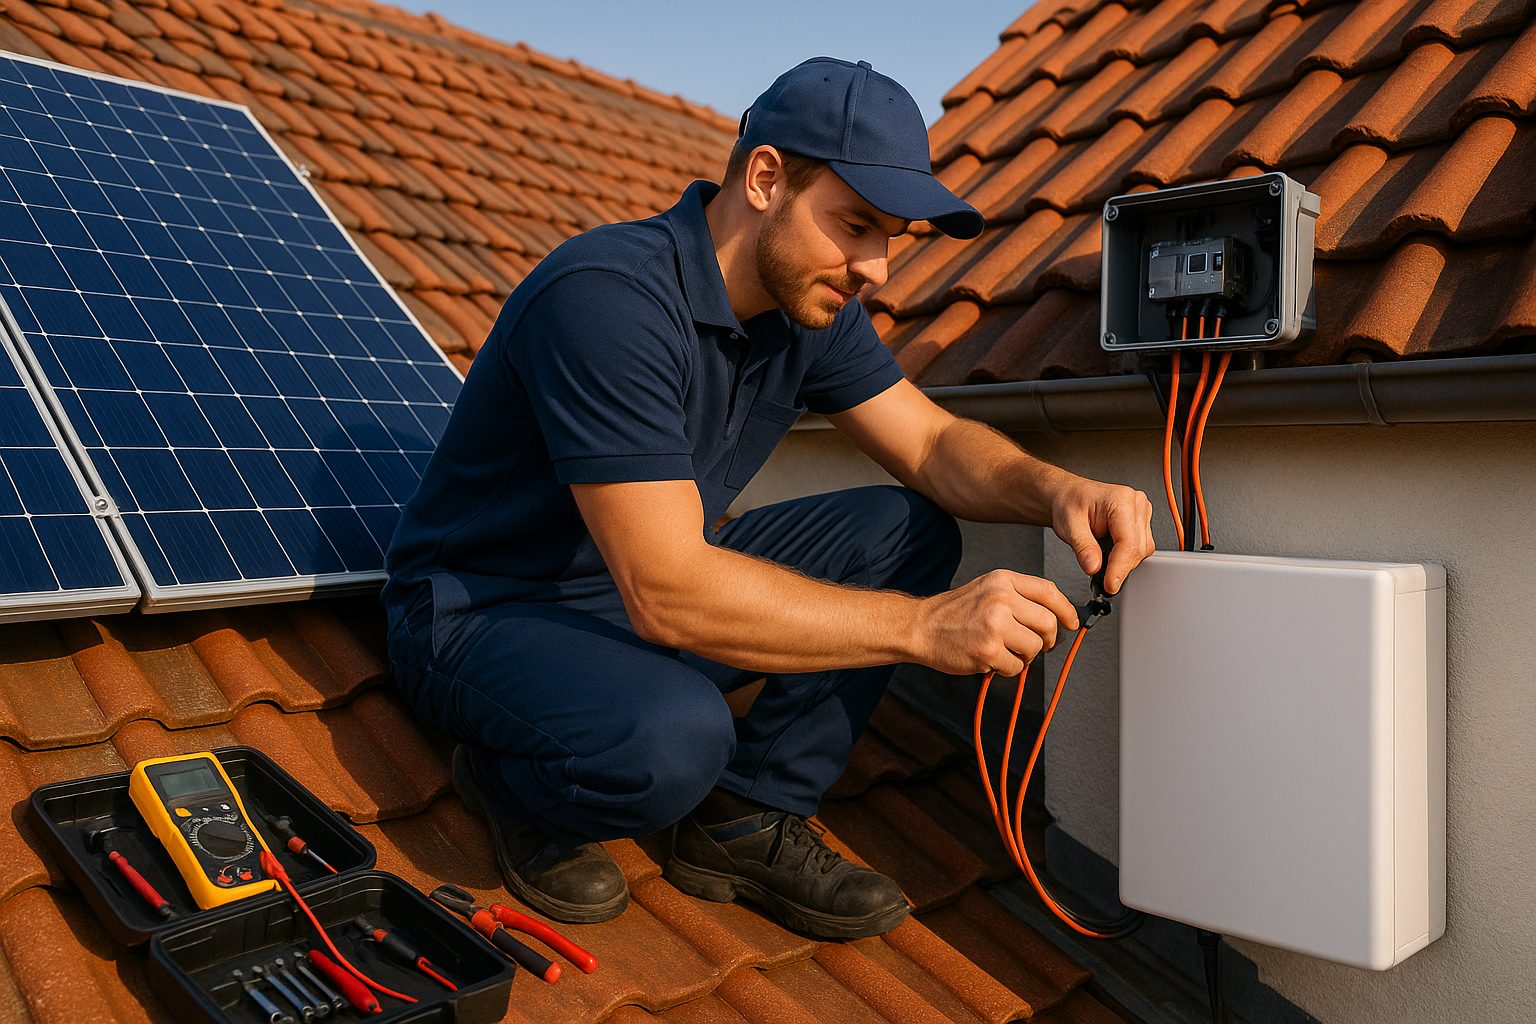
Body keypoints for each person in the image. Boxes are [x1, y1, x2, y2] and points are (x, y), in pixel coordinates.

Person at [382, 57, 1154, 940]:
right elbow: (667, 590)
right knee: (674, 741)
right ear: (764, 179)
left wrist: (1061, 491)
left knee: (904, 529)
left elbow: (934, 445)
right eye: (857, 224)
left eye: (892, 236)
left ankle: (742, 821)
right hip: (485, 613)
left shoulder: (804, 306)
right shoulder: (609, 299)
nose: (878, 268)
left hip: (636, 590)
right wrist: (921, 628)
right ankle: (511, 780)